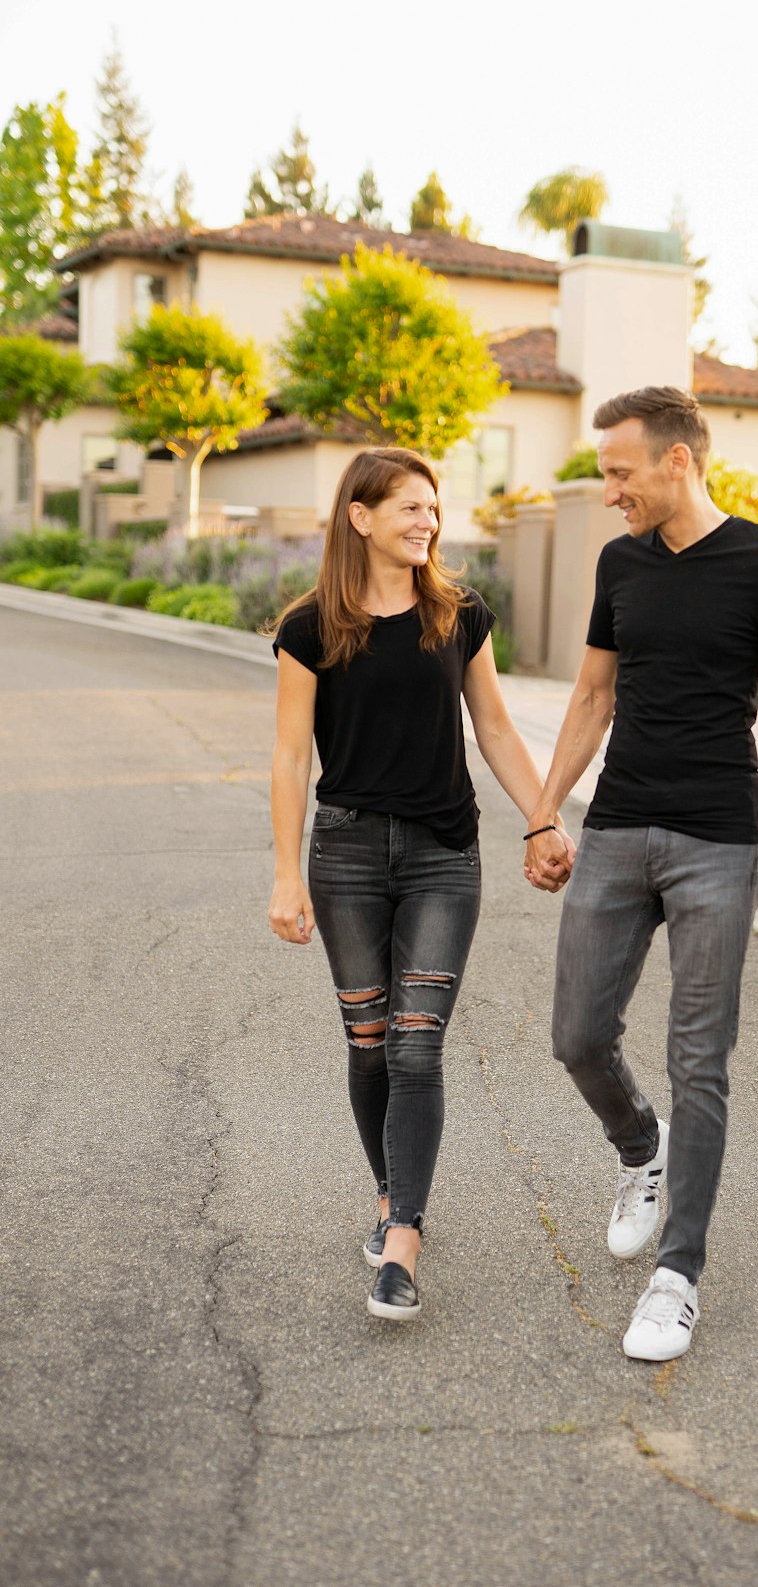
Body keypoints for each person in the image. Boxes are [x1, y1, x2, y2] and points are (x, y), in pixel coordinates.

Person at [524, 386, 758, 1362]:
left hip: (718, 840)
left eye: (619, 472)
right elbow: (591, 695)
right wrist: (543, 811)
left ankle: (677, 1276)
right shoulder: (620, 563)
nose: (609, 490)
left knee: (700, 1060)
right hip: (615, 826)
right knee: (577, 1036)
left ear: (677, 463)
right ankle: (637, 1151)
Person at [268, 447, 571, 1323]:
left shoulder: (457, 614)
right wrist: (286, 873)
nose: (427, 521)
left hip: (444, 854)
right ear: (359, 516)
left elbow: (498, 732)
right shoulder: (309, 627)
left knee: (415, 1043)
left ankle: (403, 1235)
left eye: (433, 509)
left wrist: (544, 816)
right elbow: (291, 759)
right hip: (348, 857)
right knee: (368, 1041)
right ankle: (389, 1193)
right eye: (408, 507)